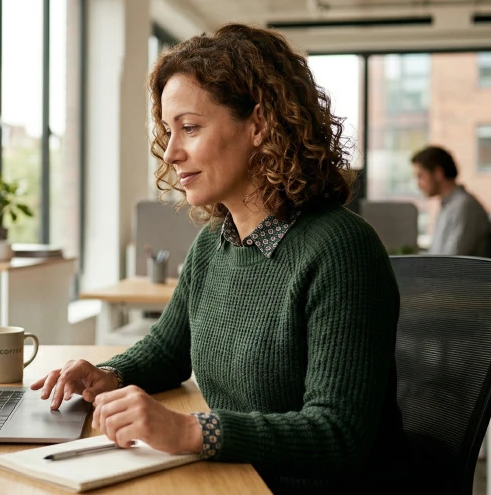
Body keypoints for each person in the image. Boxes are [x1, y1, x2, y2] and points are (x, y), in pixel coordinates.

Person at [31, 24, 409, 492]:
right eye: (169, 131)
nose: (171, 152)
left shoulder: (340, 249)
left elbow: (339, 434)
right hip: (234, 475)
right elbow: (169, 351)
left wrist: (189, 430)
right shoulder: (216, 242)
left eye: (189, 128)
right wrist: (109, 375)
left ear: (259, 125)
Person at [411, 145, 491, 257]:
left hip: (458, 274)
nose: (418, 184)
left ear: (438, 173)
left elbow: (451, 262)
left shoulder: (464, 207)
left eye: (420, 176)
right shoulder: (448, 206)